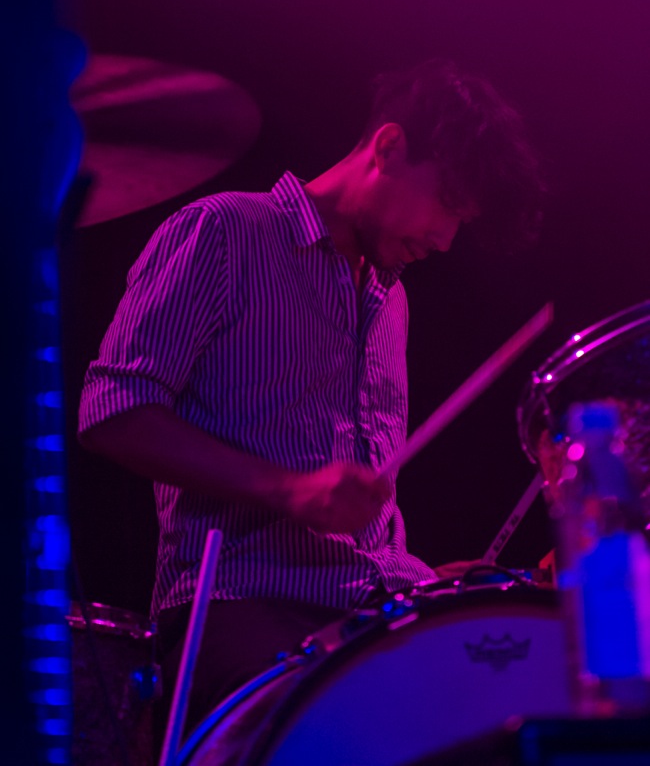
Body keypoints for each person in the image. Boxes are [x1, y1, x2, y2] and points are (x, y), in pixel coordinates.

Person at [78, 58, 544, 740]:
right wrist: (286, 489)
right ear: (388, 148)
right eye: (447, 203)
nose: (445, 240)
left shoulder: (393, 299)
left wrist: (425, 577)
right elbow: (110, 409)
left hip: (368, 611)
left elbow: (359, 497)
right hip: (240, 605)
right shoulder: (225, 232)